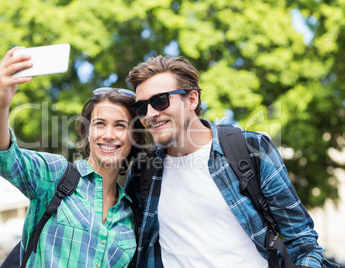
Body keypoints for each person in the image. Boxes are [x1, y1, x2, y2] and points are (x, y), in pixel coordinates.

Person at [124, 55, 338, 268]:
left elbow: (302, 241)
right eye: (141, 107)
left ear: (191, 100)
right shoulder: (143, 170)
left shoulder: (251, 148)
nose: (150, 114)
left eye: (160, 101)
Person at [0, 46, 147, 267]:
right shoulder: (57, 175)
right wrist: (1, 104)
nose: (109, 135)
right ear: (87, 132)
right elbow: (3, 158)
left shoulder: (131, 213)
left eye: (120, 126)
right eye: (99, 124)